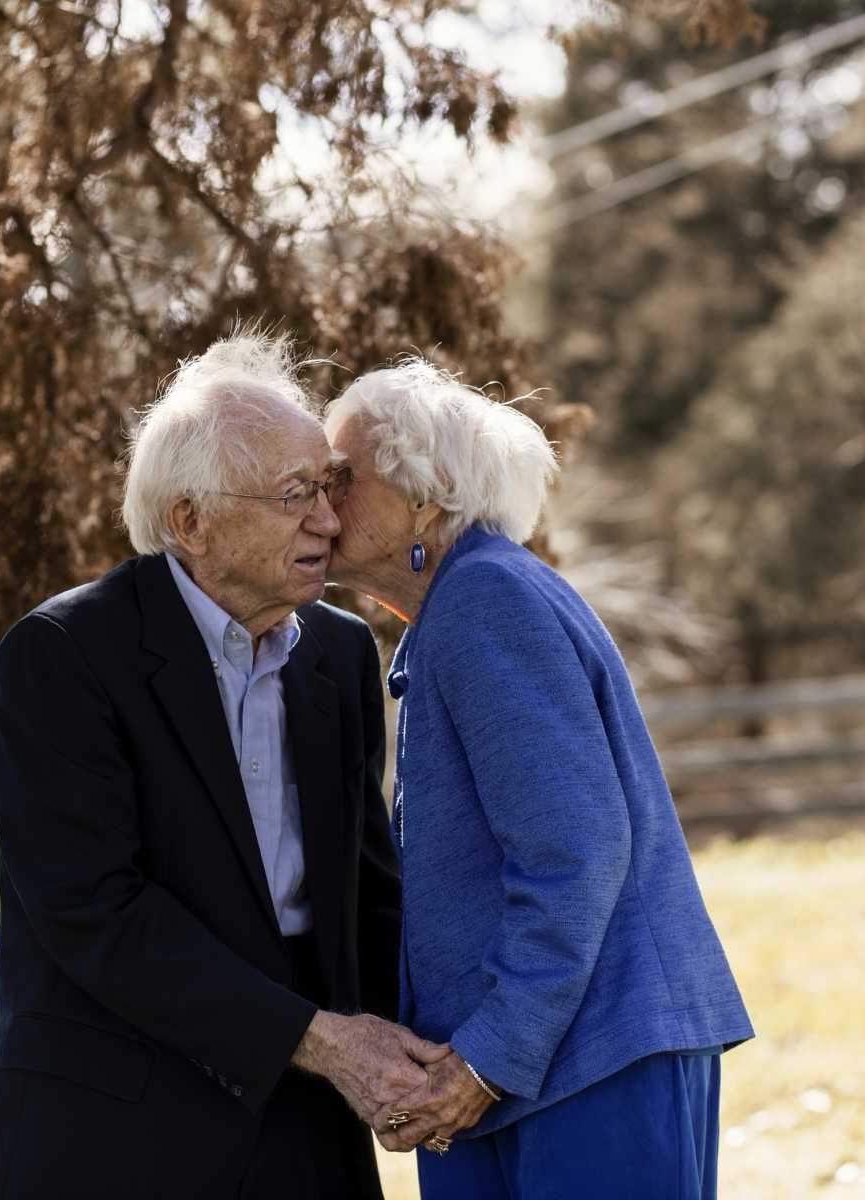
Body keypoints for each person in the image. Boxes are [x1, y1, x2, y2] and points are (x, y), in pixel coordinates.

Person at [0, 335, 443, 1199]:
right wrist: (322, 1040)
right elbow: (94, 911)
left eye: (328, 490)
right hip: (115, 1133)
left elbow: (369, 895)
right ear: (190, 520)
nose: (329, 523)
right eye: (295, 495)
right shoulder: (63, 655)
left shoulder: (338, 655)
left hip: (309, 1130)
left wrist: (447, 1055)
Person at [323, 360, 754, 1200]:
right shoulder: (465, 602)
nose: (319, 500)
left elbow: (576, 851)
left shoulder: (485, 598)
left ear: (427, 498)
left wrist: (484, 1061)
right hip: (543, 1073)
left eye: (344, 477)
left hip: (585, 1071)